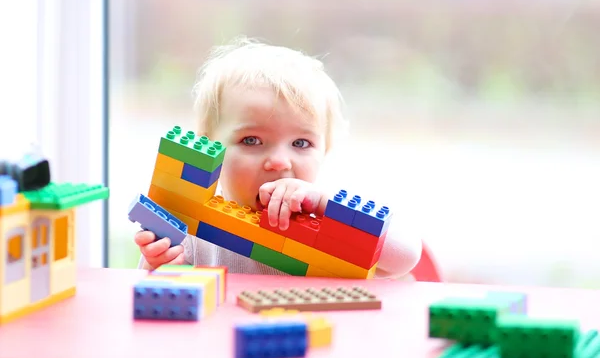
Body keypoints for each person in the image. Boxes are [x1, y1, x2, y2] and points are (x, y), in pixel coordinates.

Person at [134, 36, 422, 279]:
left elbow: (406, 256)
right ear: (211, 150)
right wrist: (160, 266)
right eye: (251, 140)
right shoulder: (193, 234)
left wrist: (324, 204)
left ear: (325, 151)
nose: (280, 162)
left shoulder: (330, 225)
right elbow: (158, 296)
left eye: (301, 142)